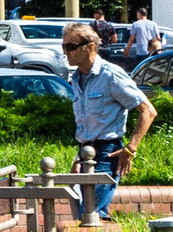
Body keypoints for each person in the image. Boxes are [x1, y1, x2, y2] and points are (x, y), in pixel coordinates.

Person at [61, 23, 155, 221]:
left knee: (92, 215)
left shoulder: (110, 75)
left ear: (90, 47)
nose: (65, 52)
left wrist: (130, 148)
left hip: (106, 153)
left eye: (71, 47)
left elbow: (148, 111)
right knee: (83, 215)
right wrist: (78, 158)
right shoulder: (77, 77)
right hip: (84, 152)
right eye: (64, 47)